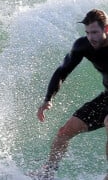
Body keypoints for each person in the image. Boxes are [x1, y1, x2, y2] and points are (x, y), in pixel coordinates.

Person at [35, 9, 108, 180]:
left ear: (106, 30)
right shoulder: (83, 45)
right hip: (107, 96)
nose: (91, 37)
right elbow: (62, 71)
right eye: (88, 33)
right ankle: (48, 173)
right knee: (65, 132)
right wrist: (48, 99)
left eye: (95, 32)